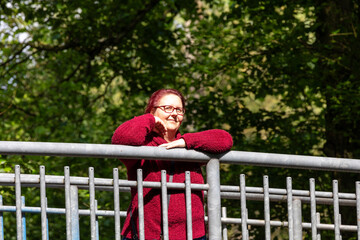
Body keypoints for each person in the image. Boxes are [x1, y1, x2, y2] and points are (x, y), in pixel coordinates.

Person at [111, 89, 233, 240]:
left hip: (192, 236)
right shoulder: (143, 146)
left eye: (179, 110)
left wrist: (185, 142)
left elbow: (225, 139)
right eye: (167, 108)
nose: (174, 114)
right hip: (145, 235)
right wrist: (150, 120)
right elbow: (121, 139)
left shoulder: (191, 148)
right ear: (152, 110)